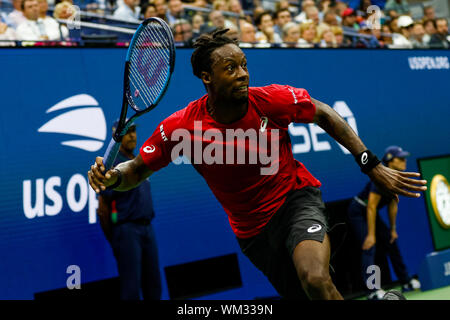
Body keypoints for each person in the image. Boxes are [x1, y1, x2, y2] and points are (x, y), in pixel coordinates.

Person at [88, 29, 427, 300]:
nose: (243, 74)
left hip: (295, 200)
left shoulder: (269, 100)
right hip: (253, 232)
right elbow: (137, 169)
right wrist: (113, 177)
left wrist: (369, 163)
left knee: (315, 278)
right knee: (308, 294)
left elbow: (322, 111)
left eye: (244, 65)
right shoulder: (182, 127)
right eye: (231, 68)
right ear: (207, 77)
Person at [97, 121, 161, 300]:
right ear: (117, 136)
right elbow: (102, 209)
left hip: (147, 228)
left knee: (154, 287)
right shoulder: (112, 167)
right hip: (126, 231)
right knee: (131, 291)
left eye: (133, 131)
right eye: (127, 132)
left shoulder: (138, 162)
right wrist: (117, 239)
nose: (132, 136)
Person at [347, 146, 421, 300]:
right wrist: (371, 235)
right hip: (359, 210)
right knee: (370, 246)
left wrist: (393, 229)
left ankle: (405, 281)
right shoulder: (380, 176)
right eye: (400, 158)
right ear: (389, 160)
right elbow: (372, 206)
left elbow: (393, 204)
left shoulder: (398, 177)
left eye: (404, 158)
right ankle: (373, 290)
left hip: (370, 211)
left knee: (391, 240)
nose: (404, 161)